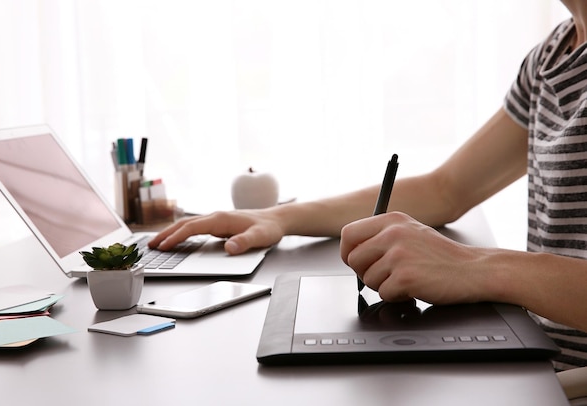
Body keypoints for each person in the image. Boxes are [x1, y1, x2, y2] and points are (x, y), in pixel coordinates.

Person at [149, 0, 587, 371]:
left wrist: (474, 268)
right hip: (540, 363)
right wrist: (277, 218)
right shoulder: (550, 57)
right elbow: (447, 189)